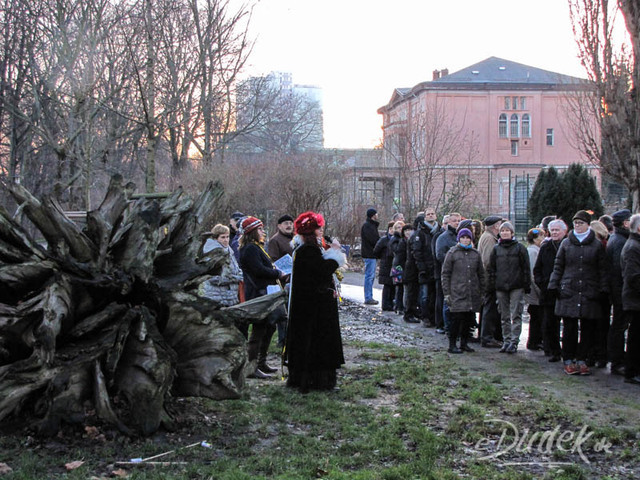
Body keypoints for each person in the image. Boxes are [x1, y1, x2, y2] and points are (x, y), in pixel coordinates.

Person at [285, 211, 346, 393]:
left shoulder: (306, 250)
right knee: (317, 342)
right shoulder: (308, 251)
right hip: (314, 308)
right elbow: (321, 272)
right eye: (319, 229)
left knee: (310, 341)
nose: (322, 231)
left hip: (311, 305)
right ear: (312, 232)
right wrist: (335, 254)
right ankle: (316, 381)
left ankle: (309, 379)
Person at [548, 210, 608, 376]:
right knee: (569, 328)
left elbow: (602, 269)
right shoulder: (566, 244)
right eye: (575, 223)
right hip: (569, 290)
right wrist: (554, 285)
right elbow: (558, 265)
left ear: (588, 224)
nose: (578, 226)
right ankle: (568, 359)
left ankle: (582, 359)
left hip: (589, 290)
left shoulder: (596, 245)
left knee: (587, 328)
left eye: (581, 223)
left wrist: (603, 288)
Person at [239, 216, 289, 379]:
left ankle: (261, 363)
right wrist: (277, 273)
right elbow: (259, 270)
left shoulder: (255, 247)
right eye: (260, 229)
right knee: (259, 330)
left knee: (269, 327)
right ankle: (252, 366)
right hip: (259, 294)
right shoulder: (250, 249)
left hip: (264, 291)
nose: (263, 231)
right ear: (252, 231)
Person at [488, 221, 531, 354]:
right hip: (501, 286)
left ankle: (514, 342)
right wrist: (492, 284)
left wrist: (526, 284)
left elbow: (526, 268)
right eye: (503, 230)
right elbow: (492, 269)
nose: (505, 232)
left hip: (516, 285)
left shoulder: (520, 248)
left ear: (512, 233)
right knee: (504, 315)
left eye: (508, 230)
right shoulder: (496, 249)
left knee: (516, 314)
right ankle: (506, 340)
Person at [441, 228, 485, 354]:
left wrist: (482, 291)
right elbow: (445, 274)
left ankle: (464, 343)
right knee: (456, 320)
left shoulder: (475, 254)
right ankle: (452, 344)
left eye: (468, 238)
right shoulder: (452, 253)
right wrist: (447, 293)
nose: (465, 240)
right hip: (457, 292)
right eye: (463, 238)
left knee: (468, 320)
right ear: (459, 239)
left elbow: (481, 274)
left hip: (472, 292)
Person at [534, 219, 568, 362]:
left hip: (565, 291)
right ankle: (553, 350)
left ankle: (567, 352)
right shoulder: (545, 247)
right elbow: (538, 269)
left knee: (568, 325)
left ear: (564, 232)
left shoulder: (568, 246)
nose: (554, 233)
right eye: (552, 230)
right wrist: (543, 283)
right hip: (548, 291)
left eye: (557, 230)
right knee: (550, 323)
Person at [607, 209, 632, 375]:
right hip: (620, 292)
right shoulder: (620, 241)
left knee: (619, 325)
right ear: (625, 223)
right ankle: (617, 361)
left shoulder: (618, 239)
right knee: (619, 326)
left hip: (618, 290)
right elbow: (619, 269)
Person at [200, 224, 243, 307]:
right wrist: (235, 278)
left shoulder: (228, 250)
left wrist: (240, 275)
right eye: (223, 237)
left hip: (229, 296)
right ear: (216, 238)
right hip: (216, 298)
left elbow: (236, 268)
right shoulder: (212, 252)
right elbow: (212, 277)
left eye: (227, 237)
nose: (226, 240)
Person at [478, 215, 503, 347]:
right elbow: (488, 260)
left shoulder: (488, 237)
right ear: (496, 226)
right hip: (489, 279)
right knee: (490, 307)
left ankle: (485, 335)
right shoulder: (489, 239)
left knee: (488, 306)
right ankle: (487, 337)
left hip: (487, 278)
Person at [620, 213, 640, 385]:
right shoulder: (633, 247)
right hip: (635, 300)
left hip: (635, 298)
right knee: (635, 337)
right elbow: (633, 276)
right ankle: (632, 371)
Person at [435, 212, 462, 333]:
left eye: (458, 220)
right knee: (447, 301)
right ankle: (447, 327)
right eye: (454, 221)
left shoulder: (461, 236)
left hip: (460, 275)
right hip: (448, 273)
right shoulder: (443, 237)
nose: (457, 223)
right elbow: (440, 255)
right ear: (449, 222)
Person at [590, 219, 611, 368]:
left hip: (597, 290)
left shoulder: (599, 248)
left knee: (595, 325)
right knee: (602, 325)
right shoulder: (606, 245)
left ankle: (596, 354)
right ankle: (601, 355)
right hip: (603, 291)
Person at [413, 208, 439, 326]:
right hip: (425, 268)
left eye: (432, 214)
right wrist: (421, 267)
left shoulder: (439, 231)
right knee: (425, 295)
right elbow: (417, 251)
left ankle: (433, 317)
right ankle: (425, 317)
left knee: (434, 295)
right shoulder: (421, 232)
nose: (430, 216)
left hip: (436, 268)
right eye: (428, 214)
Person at [525, 227, 545, 351]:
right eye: (541, 237)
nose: (542, 239)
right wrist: (539, 290)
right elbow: (533, 274)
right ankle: (534, 341)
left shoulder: (536, 250)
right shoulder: (533, 252)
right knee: (536, 317)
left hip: (535, 290)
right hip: (534, 291)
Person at [392, 223, 415, 317]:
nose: (408, 232)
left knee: (403, 288)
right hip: (399, 268)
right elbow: (399, 257)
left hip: (404, 268)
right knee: (400, 288)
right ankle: (399, 307)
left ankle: (400, 307)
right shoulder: (402, 242)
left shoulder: (410, 241)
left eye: (409, 230)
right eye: (405, 230)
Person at [432, 215, 449, 333]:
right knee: (440, 298)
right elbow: (437, 255)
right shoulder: (439, 237)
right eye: (446, 223)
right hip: (440, 272)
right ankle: (439, 323)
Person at [373, 221, 396, 311]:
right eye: (391, 229)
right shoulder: (384, 240)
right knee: (387, 286)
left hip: (394, 265)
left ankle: (392, 303)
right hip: (386, 265)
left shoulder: (397, 239)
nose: (392, 230)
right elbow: (376, 251)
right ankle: (386, 304)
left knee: (394, 286)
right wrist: (383, 257)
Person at [361, 208, 380, 305]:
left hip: (370, 254)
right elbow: (373, 240)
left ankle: (369, 296)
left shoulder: (370, 225)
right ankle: (368, 297)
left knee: (370, 276)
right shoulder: (368, 226)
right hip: (369, 254)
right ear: (373, 215)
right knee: (369, 276)